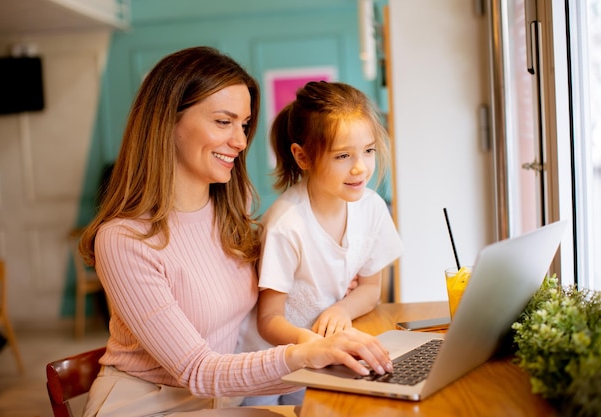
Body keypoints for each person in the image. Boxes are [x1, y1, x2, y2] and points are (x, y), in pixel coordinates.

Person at [77, 46, 393, 417]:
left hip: (224, 400)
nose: (241, 142)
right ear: (167, 122)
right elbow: (196, 369)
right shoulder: (124, 240)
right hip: (151, 406)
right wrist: (307, 356)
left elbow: (275, 288)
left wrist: (329, 281)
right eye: (223, 122)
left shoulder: (231, 208)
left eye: (243, 125)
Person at [238, 81, 403, 406]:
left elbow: (371, 288)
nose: (360, 167)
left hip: (323, 353)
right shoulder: (286, 225)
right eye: (343, 155)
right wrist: (311, 346)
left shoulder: (371, 208)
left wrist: (342, 309)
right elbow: (269, 319)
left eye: (368, 150)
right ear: (302, 156)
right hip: (269, 361)